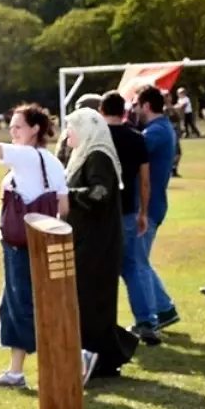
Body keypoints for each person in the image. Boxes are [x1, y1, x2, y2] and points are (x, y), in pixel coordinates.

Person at [0, 103, 69, 390]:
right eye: (11, 127)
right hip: (43, 241)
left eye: (18, 127)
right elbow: (64, 206)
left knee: (22, 306)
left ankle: (64, 360)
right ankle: (16, 372)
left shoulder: (25, 156)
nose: (12, 132)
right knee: (14, 305)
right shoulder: (53, 162)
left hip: (20, 245)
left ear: (35, 129)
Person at [62, 108, 139, 381]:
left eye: (71, 127)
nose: (67, 133)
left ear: (86, 129)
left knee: (92, 300)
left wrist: (67, 196)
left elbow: (100, 192)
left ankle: (103, 358)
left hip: (98, 242)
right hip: (86, 238)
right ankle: (102, 357)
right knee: (89, 300)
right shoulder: (84, 154)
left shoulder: (98, 156)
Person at [99, 92, 158, 346]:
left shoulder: (97, 139)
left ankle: (103, 324)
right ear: (124, 112)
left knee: (102, 270)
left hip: (101, 215)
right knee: (133, 267)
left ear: (101, 111)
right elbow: (145, 180)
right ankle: (146, 322)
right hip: (128, 211)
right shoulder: (136, 138)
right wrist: (143, 212)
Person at [132, 86, 181, 332]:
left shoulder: (156, 132)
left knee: (137, 262)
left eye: (136, 105)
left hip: (148, 206)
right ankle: (164, 309)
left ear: (147, 106)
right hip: (151, 204)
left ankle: (157, 313)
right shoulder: (159, 129)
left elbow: (133, 153)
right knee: (138, 261)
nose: (134, 110)